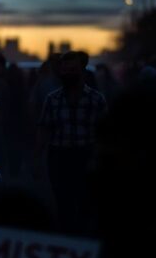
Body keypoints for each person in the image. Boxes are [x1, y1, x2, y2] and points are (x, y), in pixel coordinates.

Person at [35, 51, 106, 230]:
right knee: (63, 203)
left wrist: (99, 159)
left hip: (86, 156)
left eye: (72, 69)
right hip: (59, 156)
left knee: (85, 204)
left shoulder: (96, 99)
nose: (67, 73)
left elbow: (104, 133)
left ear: (82, 70)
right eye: (64, 69)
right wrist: (37, 157)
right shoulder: (52, 99)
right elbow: (44, 129)